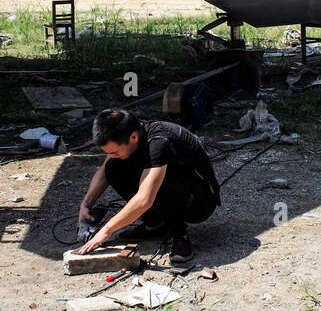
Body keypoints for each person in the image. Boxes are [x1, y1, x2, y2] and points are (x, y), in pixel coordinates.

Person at [77, 109, 220, 263]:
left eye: (115, 152)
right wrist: (85, 205)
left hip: (200, 200)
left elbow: (145, 199)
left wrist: (107, 230)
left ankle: (179, 235)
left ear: (133, 137)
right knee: (113, 168)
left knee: (154, 183)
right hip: (178, 184)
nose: (112, 155)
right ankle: (154, 225)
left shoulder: (159, 142)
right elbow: (104, 172)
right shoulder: (126, 130)